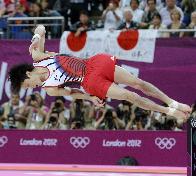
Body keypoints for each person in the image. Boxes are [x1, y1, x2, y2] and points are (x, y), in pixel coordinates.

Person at [9, 25, 191, 122]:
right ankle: (168, 111)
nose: (31, 88)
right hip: (89, 81)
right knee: (129, 95)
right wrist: (90, 98)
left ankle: (173, 102)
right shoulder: (49, 89)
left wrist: (35, 38)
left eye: (27, 85)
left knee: (138, 83)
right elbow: (72, 93)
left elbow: (41, 27)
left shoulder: (38, 56)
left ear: (27, 74)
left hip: (94, 63)